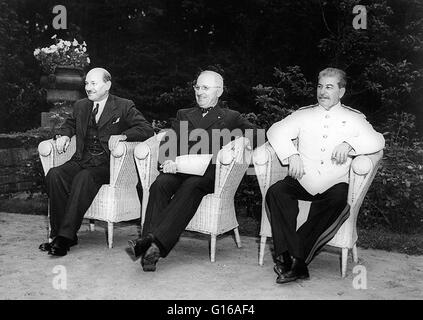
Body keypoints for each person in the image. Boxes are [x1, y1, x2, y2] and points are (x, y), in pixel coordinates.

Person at [128, 70, 260, 271]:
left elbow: (259, 136)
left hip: (209, 174)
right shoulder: (184, 114)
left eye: (205, 88)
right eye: (197, 87)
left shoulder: (231, 117)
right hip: (181, 169)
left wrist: (244, 139)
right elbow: (170, 142)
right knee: (160, 183)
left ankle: (152, 246)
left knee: (192, 185)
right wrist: (168, 161)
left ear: (219, 91)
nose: (199, 92)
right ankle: (149, 247)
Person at [265, 67, 385, 284]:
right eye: (320, 86)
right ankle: (291, 259)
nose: (322, 91)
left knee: (339, 201)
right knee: (276, 191)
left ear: (341, 91)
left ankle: (293, 259)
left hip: (334, 182)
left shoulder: (354, 118)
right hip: (302, 178)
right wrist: (291, 155)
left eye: (329, 87)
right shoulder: (303, 114)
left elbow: (378, 141)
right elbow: (274, 131)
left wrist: (351, 144)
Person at [39, 67, 154, 257]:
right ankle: (58, 234)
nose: (88, 87)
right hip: (81, 159)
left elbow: (146, 129)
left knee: (84, 177)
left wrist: (124, 135)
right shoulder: (81, 105)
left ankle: (65, 238)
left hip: (107, 165)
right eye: (86, 83)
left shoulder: (124, 105)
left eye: (94, 83)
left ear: (107, 85)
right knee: (54, 174)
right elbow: (69, 124)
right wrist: (64, 135)